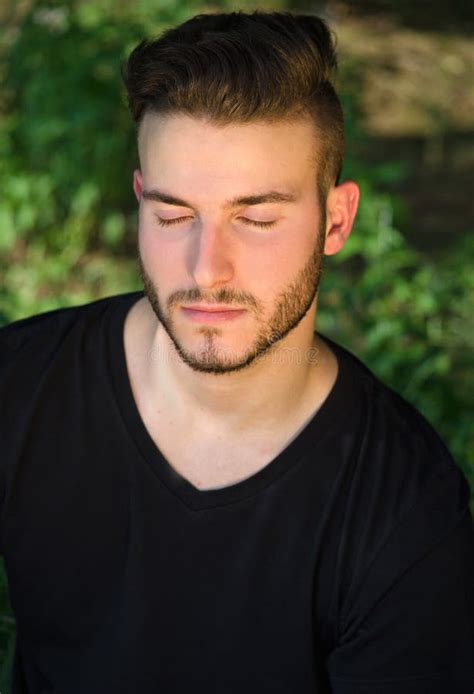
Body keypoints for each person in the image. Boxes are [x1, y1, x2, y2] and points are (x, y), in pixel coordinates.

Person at [0, 9, 472, 694]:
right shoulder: (20, 387)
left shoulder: (406, 515)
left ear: (336, 220)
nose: (206, 268)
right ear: (138, 201)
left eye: (254, 219)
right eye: (173, 215)